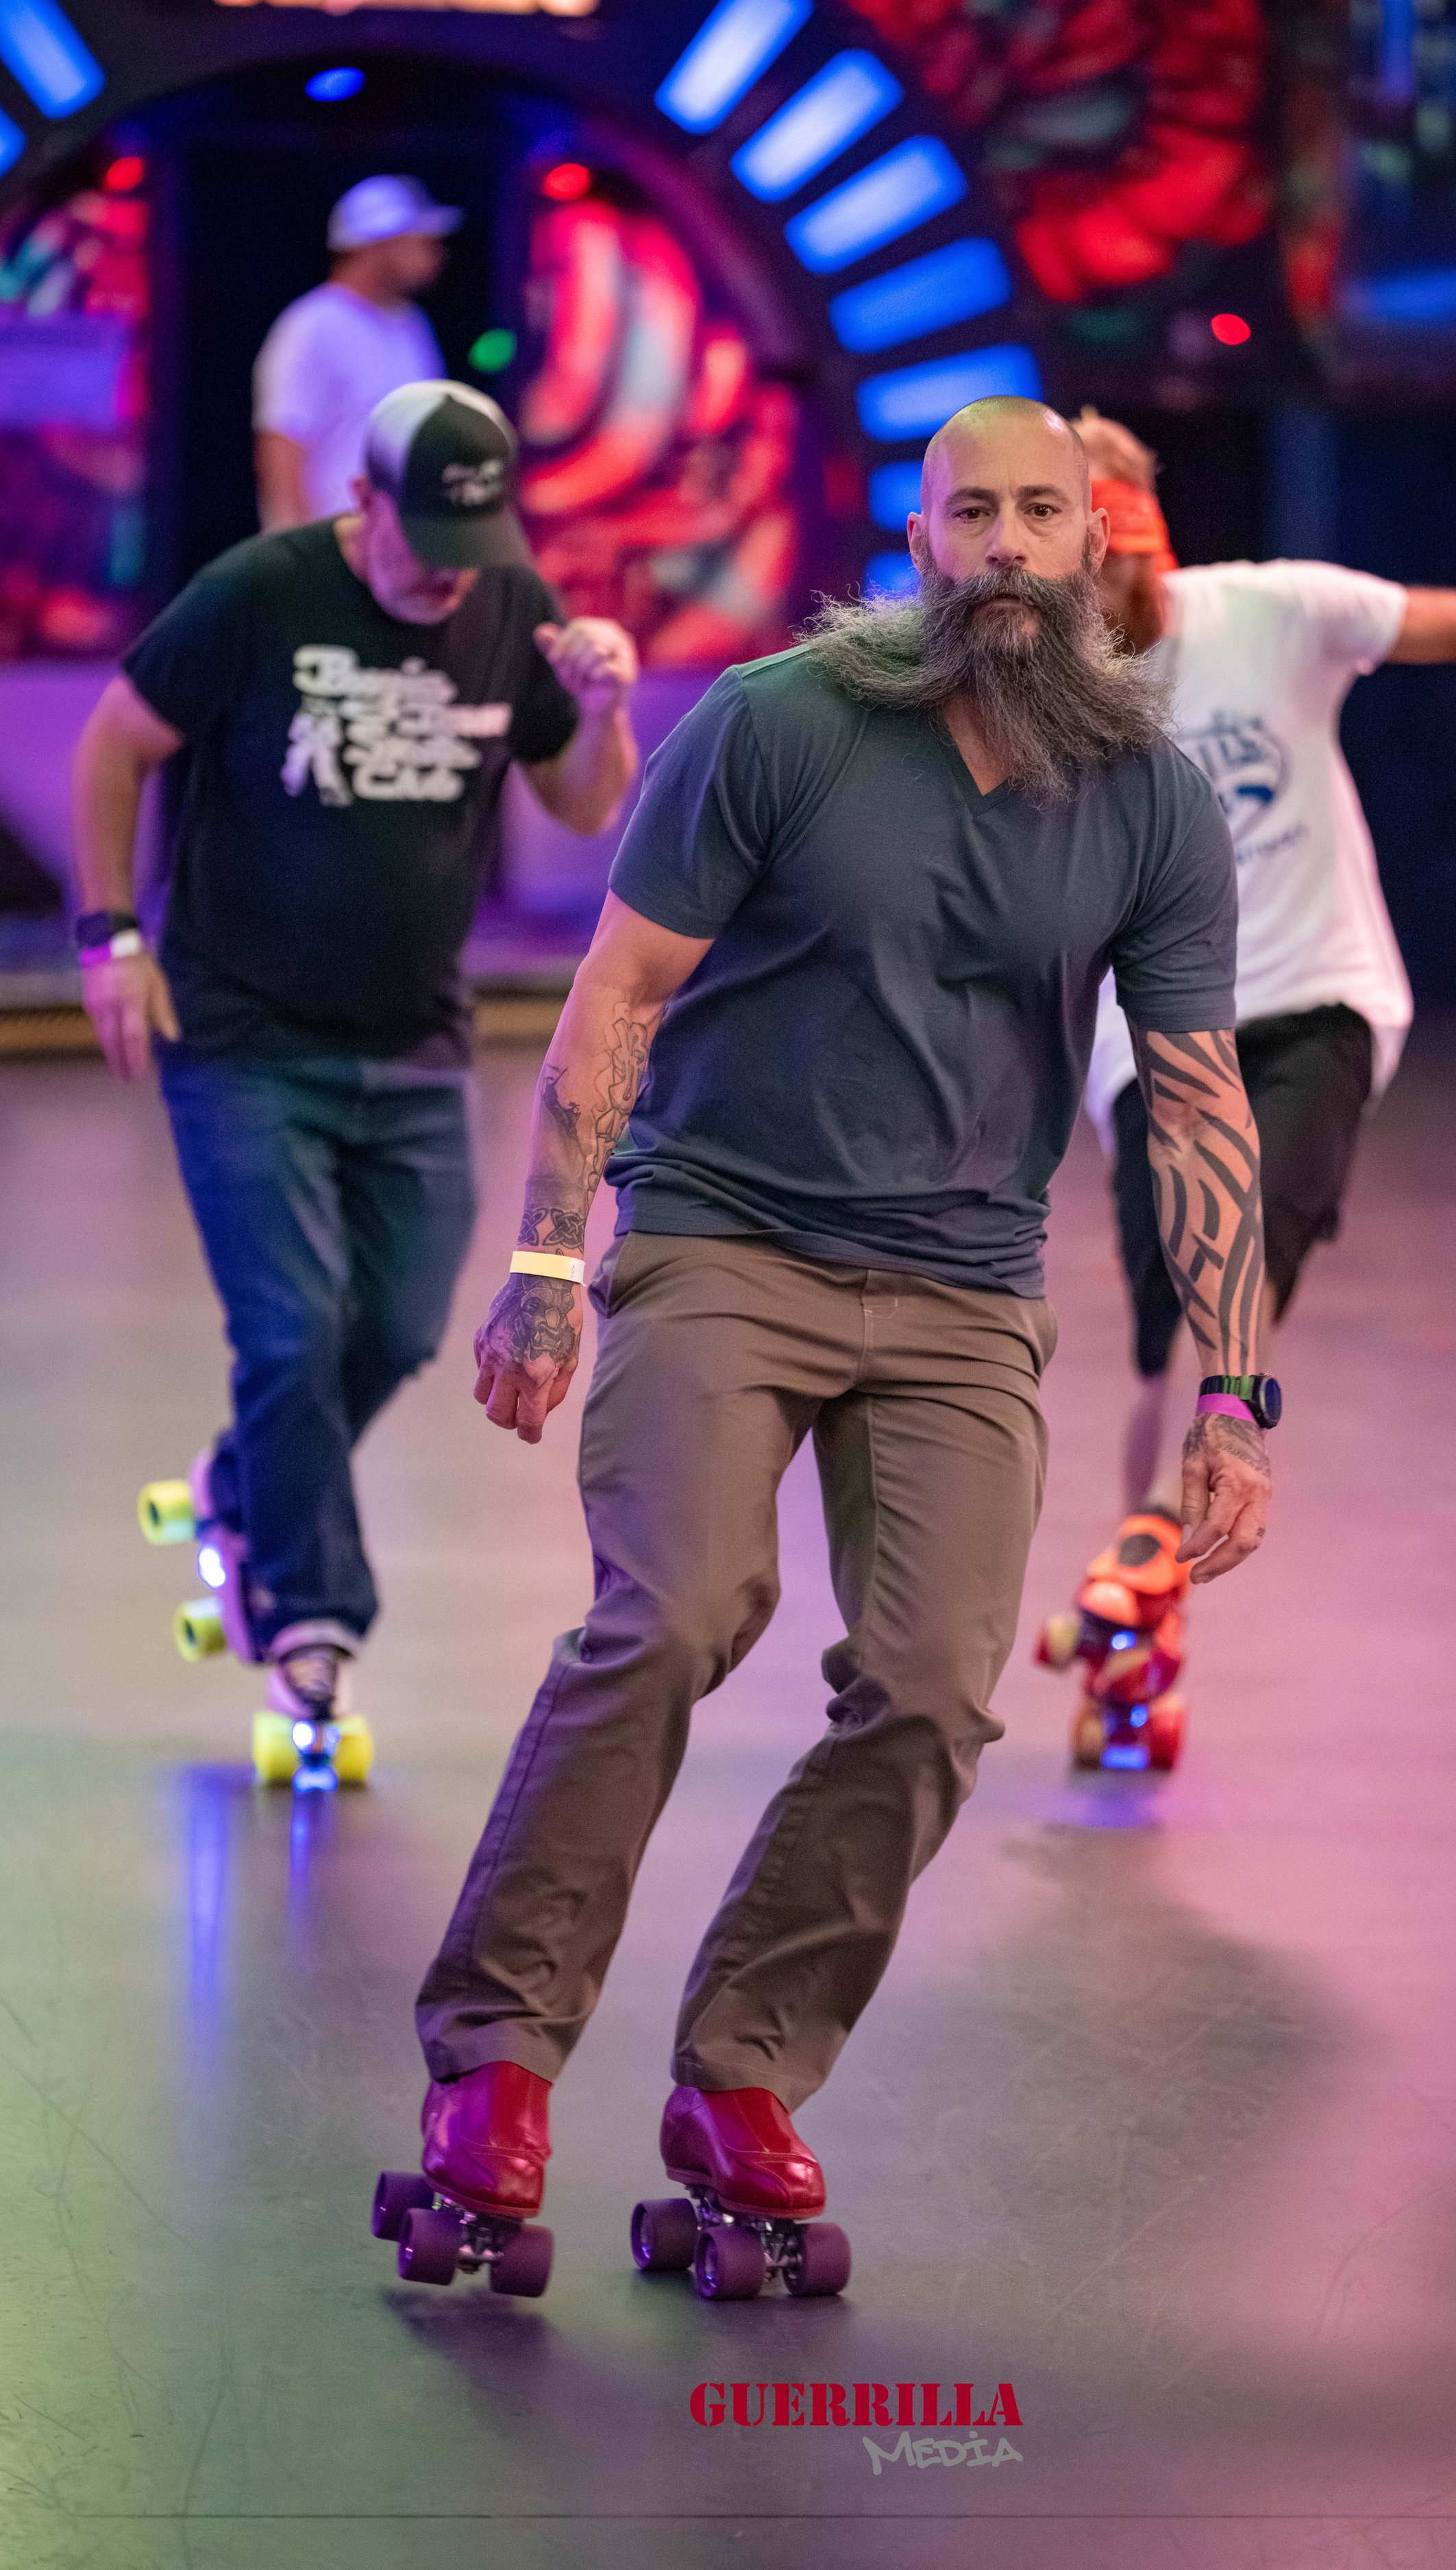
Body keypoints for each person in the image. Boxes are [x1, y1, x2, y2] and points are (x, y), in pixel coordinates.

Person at [404, 395, 1277, 2246]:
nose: (1011, 546)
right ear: (923, 547)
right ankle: (493, 2056)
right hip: (725, 1235)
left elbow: (1196, 1095)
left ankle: (741, 2068)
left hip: (963, 1288)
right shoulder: (778, 727)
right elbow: (618, 994)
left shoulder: (1147, 795)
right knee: (672, 1615)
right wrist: (550, 1267)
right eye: (974, 513)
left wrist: (1235, 1388)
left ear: (1097, 541)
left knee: (936, 1692)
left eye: (1043, 510)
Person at [72, 382, 639, 1756]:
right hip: (242, 1034)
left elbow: (581, 801)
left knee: (390, 1331)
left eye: (474, 549)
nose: (450, 581)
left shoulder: (509, 605)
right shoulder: (256, 595)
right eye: (424, 547)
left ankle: (237, 1485)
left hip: (417, 1041)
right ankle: (314, 1629)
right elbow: (114, 744)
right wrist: (109, 936)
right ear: (363, 503)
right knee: (288, 1331)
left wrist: (600, 708)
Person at [1041, 406, 1456, 1769]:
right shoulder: (1039, 683)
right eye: (1088, 550)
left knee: (1249, 1222)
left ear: (1157, 528)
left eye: (1134, 541)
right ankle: (1139, 1654)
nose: (1121, 578)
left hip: (1314, 998)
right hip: (1147, 1032)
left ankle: (1147, 1544)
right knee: (1168, 1325)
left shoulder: (1271, 611)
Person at [254, 175, 461, 533]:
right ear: (378, 245)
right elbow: (281, 446)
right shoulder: (313, 326)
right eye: (419, 241)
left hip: (401, 554)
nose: (434, 252)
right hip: (335, 554)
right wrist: (295, 559)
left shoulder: (412, 325)